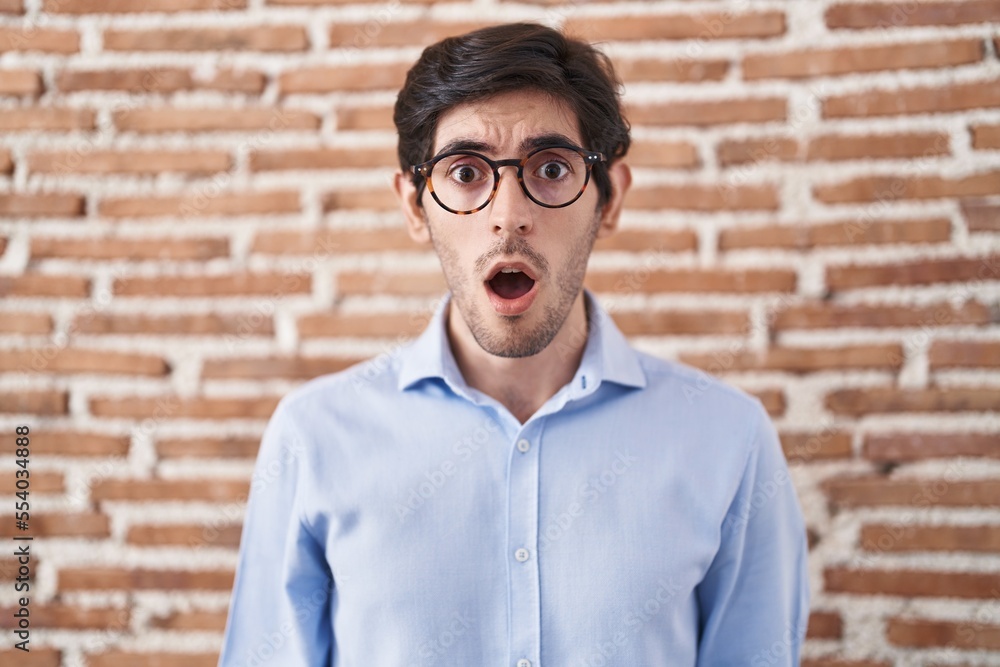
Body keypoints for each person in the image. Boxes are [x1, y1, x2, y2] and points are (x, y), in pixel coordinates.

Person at [219, 22, 809, 667]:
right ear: (416, 207)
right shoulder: (314, 437)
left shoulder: (727, 438)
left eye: (552, 169)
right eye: (466, 172)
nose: (507, 214)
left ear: (609, 202)